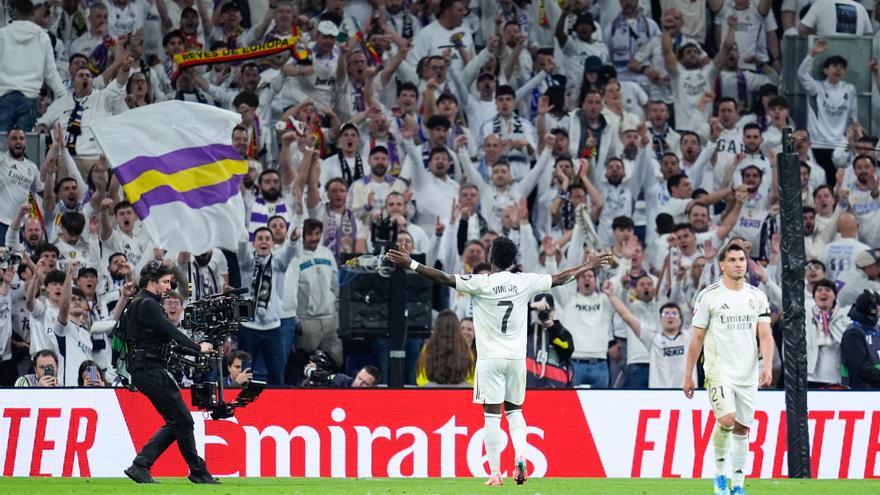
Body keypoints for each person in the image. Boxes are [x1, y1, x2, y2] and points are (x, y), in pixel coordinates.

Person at [387, 236, 613, 486]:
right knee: (515, 412)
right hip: (516, 359)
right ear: (511, 260)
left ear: (491, 256)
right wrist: (587, 265)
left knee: (492, 417)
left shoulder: (480, 283)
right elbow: (560, 278)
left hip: (490, 360)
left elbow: (444, 278)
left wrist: (412, 264)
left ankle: (495, 473)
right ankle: (520, 455)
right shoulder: (524, 281)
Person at [683, 242, 774, 495]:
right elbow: (697, 338)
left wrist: (767, 366)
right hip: (718, 371)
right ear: (722, 264)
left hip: (748, 372)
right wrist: (688, 375)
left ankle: (738, 486)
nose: (738, 264)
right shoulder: (709, 296)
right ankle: (720, 475)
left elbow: (765, 335)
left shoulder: (757, 296)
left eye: (741, 259)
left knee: (742, 429)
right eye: (732, 260)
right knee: (726, 420)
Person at [122, 261, 219, 484]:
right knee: (182, 420)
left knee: (178, 420)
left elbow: (166, 338)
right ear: (151, 281)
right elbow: (171, 332)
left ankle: (141, 465)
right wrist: (198, 347)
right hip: (149, 368)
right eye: (165, 282)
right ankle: (197, 471)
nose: (168, 287)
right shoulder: (147, 304)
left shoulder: (139, 302)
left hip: (145, 369)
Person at [415, 309, 474, 387]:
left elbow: (420, 379)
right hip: (461, 392)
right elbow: (471, 379)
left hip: (432, 391)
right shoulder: (466, 350)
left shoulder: (427, 349)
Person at [840, 290, 880, 389]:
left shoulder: (876, 329)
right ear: (871, 309)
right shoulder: (853, 334)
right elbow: (860, 368)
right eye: (878, 305)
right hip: (862, 391)